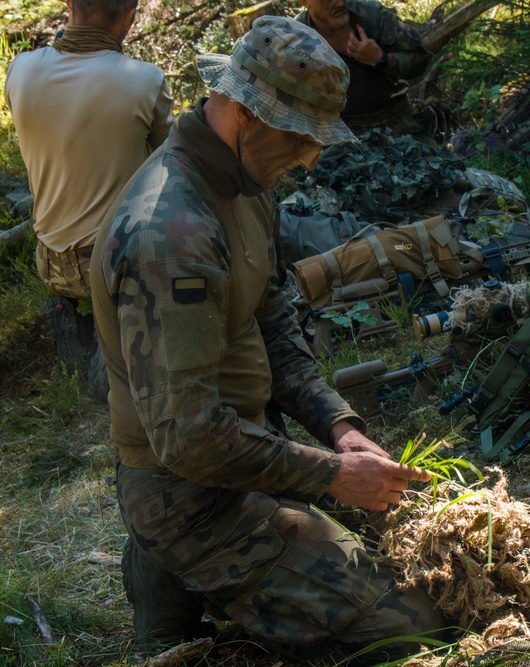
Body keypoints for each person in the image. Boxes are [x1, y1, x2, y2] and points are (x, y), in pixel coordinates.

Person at [90, 17, 443, 658]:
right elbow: (189, 437)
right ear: (246, 114)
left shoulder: (244, 182)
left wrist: (338, 425)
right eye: (300, 136)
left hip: (239, 453)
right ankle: (173, 561)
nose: (310, 156)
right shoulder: (172, 234)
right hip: (189, 493)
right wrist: (334, 476)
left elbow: (272, 318)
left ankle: (173, 571)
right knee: (409, 623)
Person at [4, 0, 173, 377]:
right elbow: (174, 164)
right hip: (117, 268)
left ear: (68, 5)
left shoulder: (20, 70)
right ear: (130, 18)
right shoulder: (144, 80)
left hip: (51, 262)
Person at [294, 0, 430, 135]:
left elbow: (420, 59)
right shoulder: (294, 38)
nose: (340, 4)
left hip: (396, 118)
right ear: (305, 2)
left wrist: (381, 59)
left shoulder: (372, 15)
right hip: (340, 130)